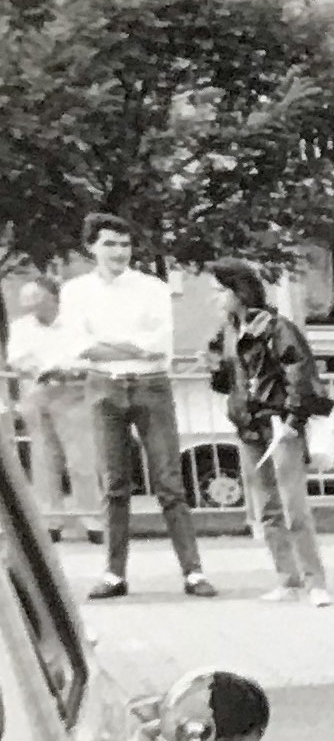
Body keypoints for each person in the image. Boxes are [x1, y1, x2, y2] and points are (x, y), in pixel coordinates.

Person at [59, 216, 211, 598]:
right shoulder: (76, 291)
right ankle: (114, 573)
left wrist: (110, 343)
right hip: (103, 386)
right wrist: (132, 345)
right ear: (92, 246)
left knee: (169, 482)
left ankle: (193, 572)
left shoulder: (152, 288)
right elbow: (78, 346)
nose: (119, 253)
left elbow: (159, 344)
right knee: (113, 484)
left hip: (150, 384)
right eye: (110, 244)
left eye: (125, 245)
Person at [204, 260, 334, 604]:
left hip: (278, 423)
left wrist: (294, 418)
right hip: (249, 424)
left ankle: (314, 582)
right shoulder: (229, 331)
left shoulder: (276, 327)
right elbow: (228, 380)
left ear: (238, 292)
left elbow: (298, 370)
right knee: (267, 508)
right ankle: (288, 579)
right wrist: (214, 365)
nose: (215, 299)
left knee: (293, 506)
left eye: (220, 291)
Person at [6, 273, 94, 541]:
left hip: (73, 394)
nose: (29, 303)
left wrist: (65, 369)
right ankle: (50, 521)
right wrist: (34, 368)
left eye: (35, 297)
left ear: (52, 298)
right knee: (43, 459)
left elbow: (87, 355)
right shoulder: (22, 327)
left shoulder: (76, 324)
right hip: (37, 394)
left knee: (82, 459)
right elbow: (16, 357)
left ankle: (92, 519)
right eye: (27, 297)